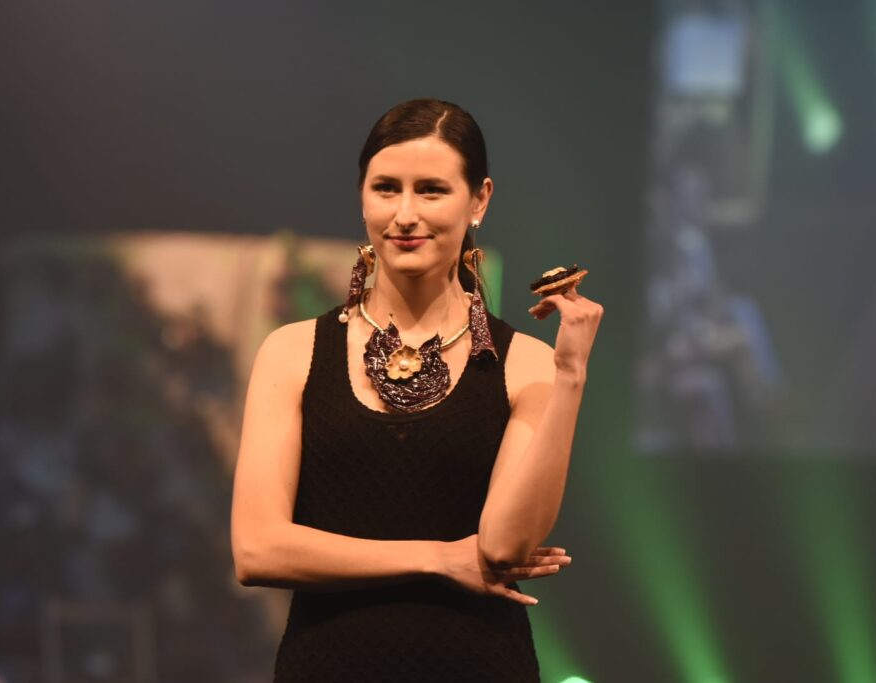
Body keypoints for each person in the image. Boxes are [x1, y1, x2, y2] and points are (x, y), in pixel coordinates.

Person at [231, 98, 603, 681]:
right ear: (362, 197)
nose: (405, 214)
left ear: (479, 200)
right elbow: (257, 549)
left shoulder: (525, 363)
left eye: (431, 190)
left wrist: (571, 374)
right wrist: (438, 558)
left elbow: (503, 548)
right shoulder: (293, 351)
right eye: (386, 189)